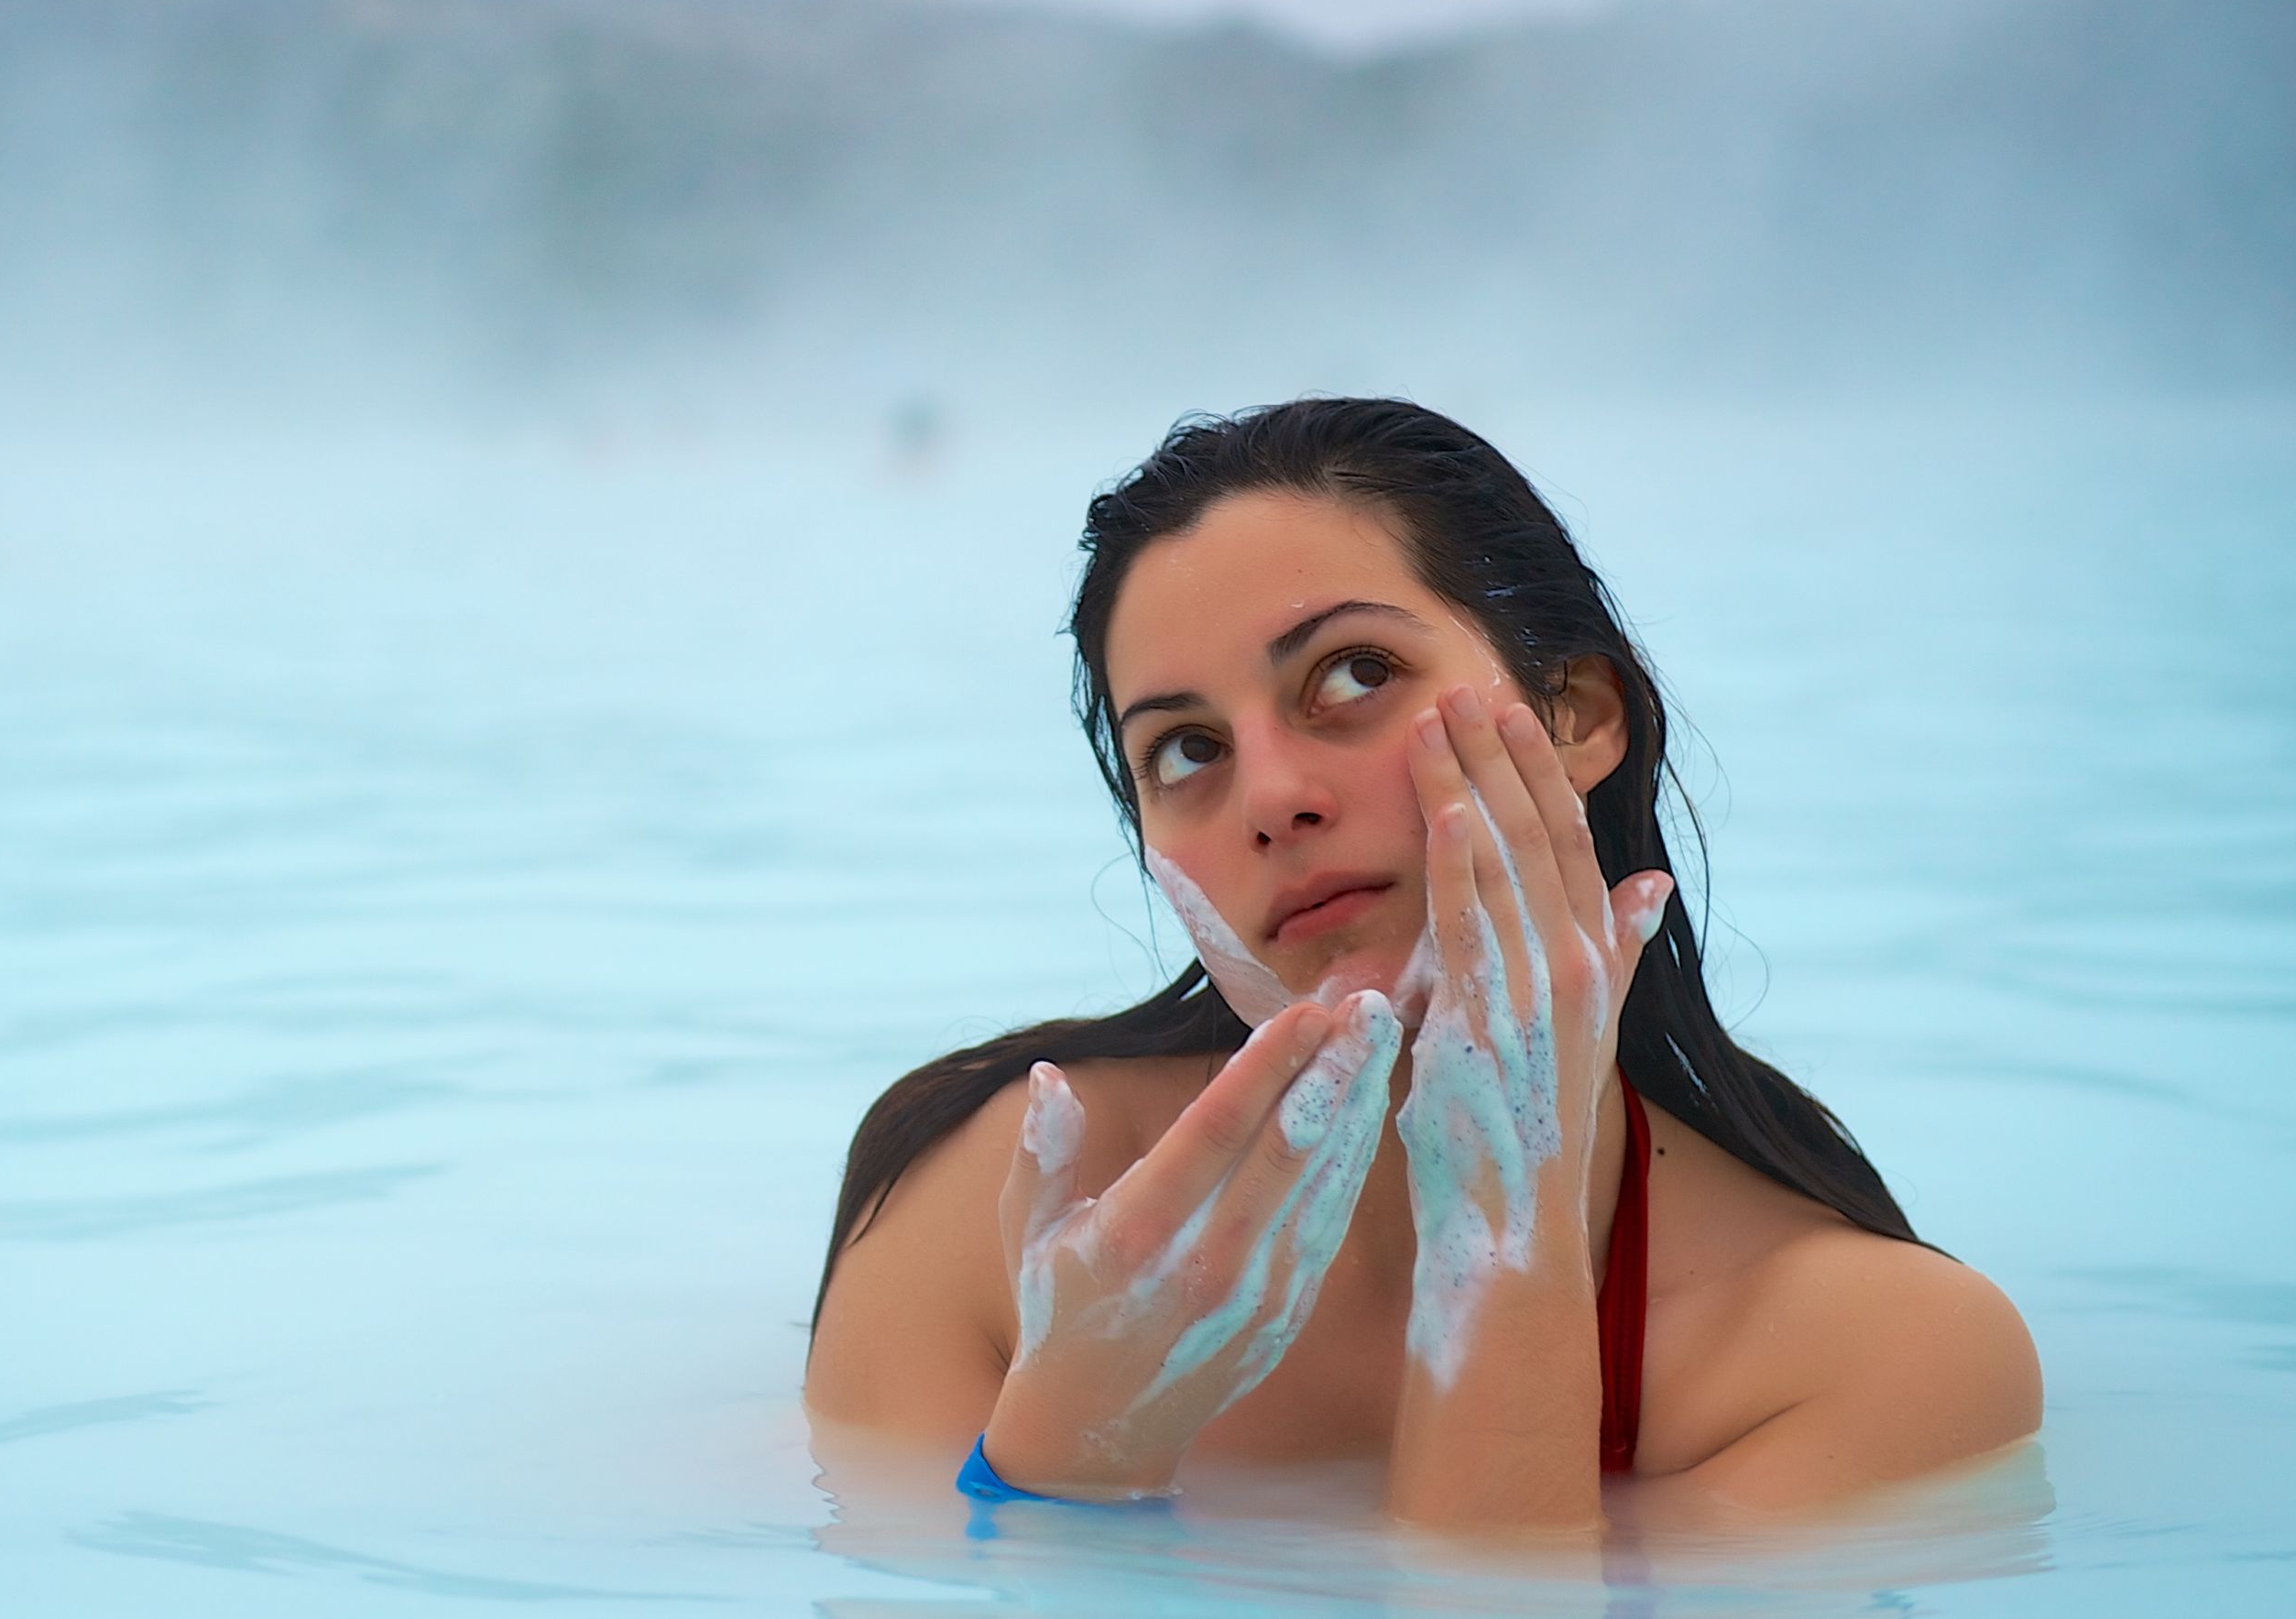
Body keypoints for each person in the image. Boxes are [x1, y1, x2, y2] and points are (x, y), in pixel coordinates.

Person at [804, 399, 2039, 1531]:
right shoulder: (990, 1218)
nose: (1274, 799)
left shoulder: (1878, 1354)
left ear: (1576, 716)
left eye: (1352, 676)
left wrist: (1503, 1244)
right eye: (1185, 750)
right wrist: (1070, 1442)